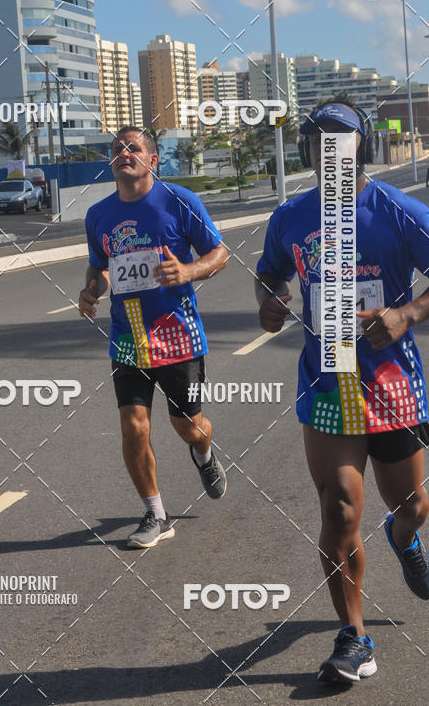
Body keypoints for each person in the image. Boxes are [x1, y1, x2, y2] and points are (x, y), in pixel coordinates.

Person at [255, 101, 429, 684]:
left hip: (392, 385)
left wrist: (407, 313)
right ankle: (354, 637)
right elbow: (270, 272)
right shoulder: (290, 217)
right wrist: (269, 300)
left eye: (341, 137)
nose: (327, 147)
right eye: (317, 138)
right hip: (327, 380)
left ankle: (403, 538)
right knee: (338, 507)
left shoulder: (399, 212)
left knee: (412, 506)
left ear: (363, 146)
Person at [78, 126, 228, 548]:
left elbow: (219, 253)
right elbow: (100, 266)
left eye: (133, 148)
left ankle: (204, 453)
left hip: (178, 336)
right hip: (128, 337)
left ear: (152, 159)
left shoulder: (180, 201)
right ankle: (156, 514)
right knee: (133, 425)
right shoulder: (99, 215)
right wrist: (91, 291)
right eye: (117, 149)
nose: (124, 153)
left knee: (188, 426)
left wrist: (189, 270)